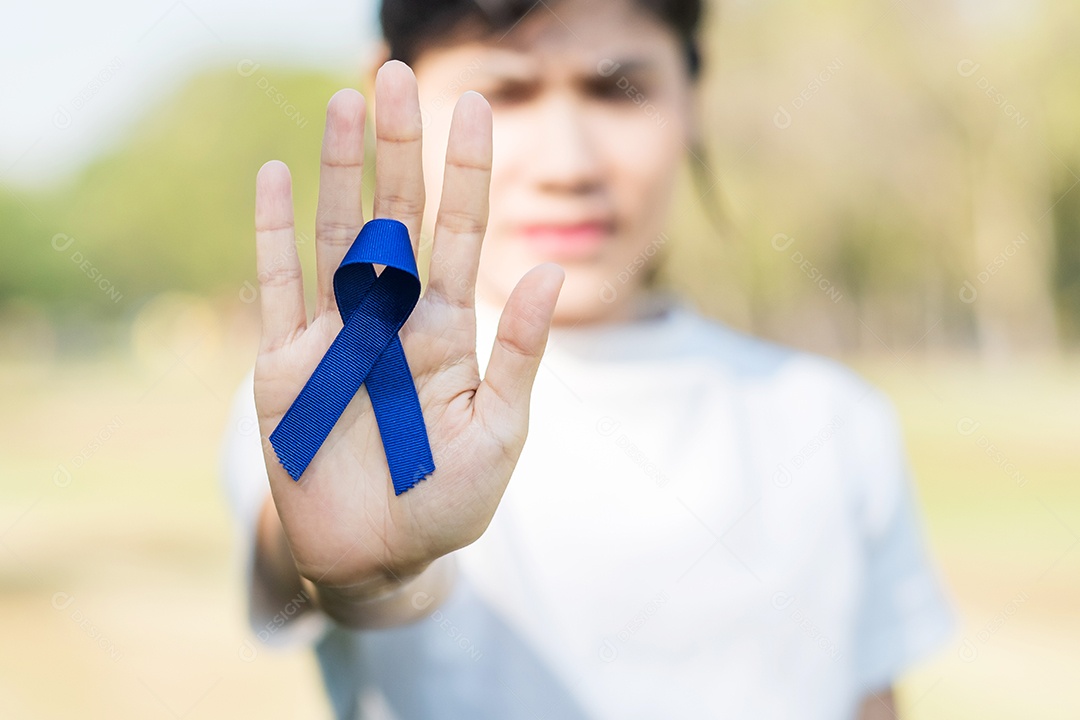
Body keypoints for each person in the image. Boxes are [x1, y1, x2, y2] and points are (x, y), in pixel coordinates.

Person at [219, 0, 956, 717]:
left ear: (692, 97)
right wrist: (365, 571)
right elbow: (321, 563)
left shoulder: (834, 420)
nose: (569, 165)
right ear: (391, 95)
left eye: (617, 90)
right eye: (503, 92)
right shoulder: (343, 403)